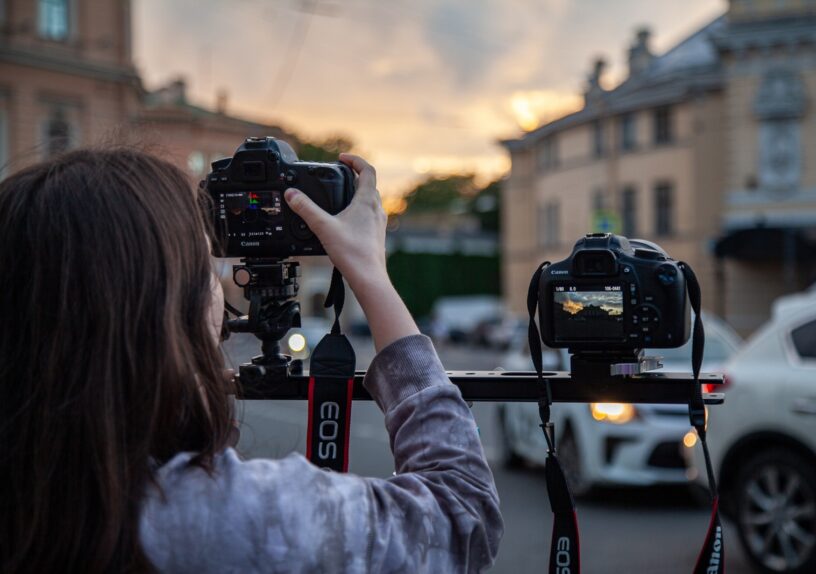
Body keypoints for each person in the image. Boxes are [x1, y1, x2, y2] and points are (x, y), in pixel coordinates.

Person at [0, 148, 503, 573]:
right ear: (168, 314)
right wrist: (370, 273)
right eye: (204, 266)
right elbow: (462, 517)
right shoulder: (239, 516)